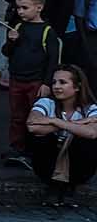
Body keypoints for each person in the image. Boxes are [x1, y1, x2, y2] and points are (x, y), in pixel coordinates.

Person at [0, 0, 68, 167]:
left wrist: (47, 83)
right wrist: (12, 41)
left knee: (37, 116)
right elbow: (6, 51)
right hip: (17, 79)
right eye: (18, 8)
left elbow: (54, 60)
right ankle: (17, 147)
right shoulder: (18, 27)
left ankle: (35, 150)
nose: (20, 11)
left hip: (36, 81)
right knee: (17, 115)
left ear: (39, 7)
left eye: (24, 7)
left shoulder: (47, 31)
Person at [24, 64, 97, 197]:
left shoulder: (90, 108)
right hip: (47, 167)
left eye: (62, 82)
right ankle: (54, 183)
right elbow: (32, 125)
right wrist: (76, 125)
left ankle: (70, 184)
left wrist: (54, 121)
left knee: (84, 139)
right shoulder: (46, 102)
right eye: (54, 82)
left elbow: (92, 132)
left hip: (79, 169)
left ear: (77, 87)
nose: (56, 86)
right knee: (41, 136)